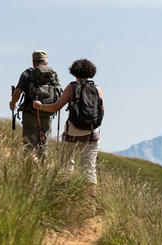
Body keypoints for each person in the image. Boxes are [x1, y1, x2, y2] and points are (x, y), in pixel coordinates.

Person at [33, 59, 105, 200]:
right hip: (92, 133)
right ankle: (90, 200)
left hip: (72, 132)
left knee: (66, 163)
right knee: (89, 167)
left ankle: (66, 196)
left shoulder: (71, 88)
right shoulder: (97, 89)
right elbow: (102, 111)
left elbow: (55, 107)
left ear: (75, 72)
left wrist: (40, 105)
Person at [9, 50, 61, 158]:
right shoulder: (52, 74)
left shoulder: (27, 73)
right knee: (43, 146)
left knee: (28, 145)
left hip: (30, 113)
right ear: (45, 62)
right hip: (47, 114)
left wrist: (12, 103)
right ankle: (42, 171)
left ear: (33, 61)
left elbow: (17, 93)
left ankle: (28, 170)